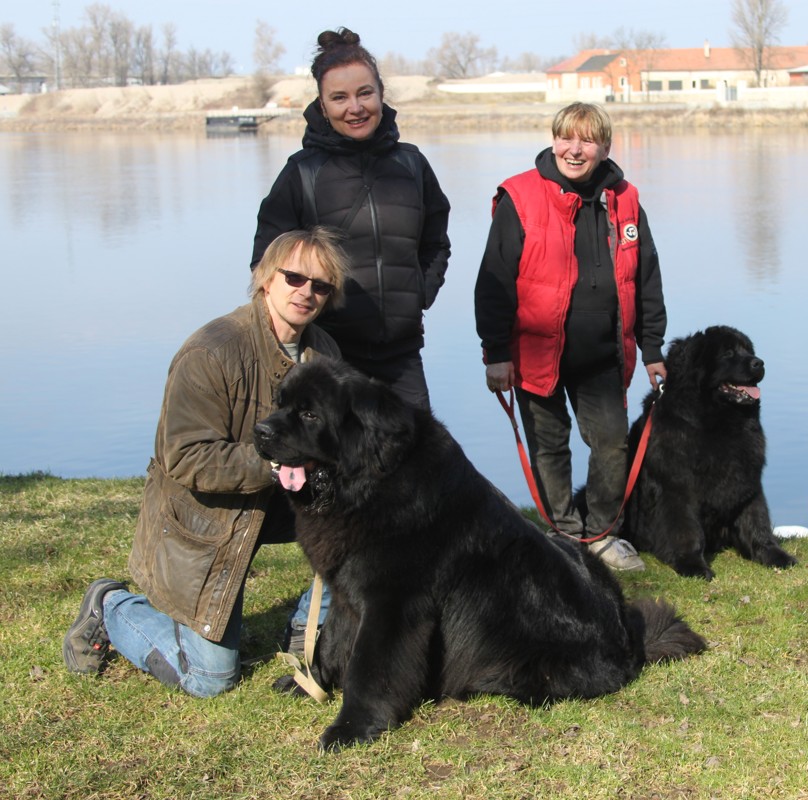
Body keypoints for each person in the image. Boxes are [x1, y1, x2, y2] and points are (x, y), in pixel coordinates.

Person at [62, 228, 348, 697]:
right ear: (266, 278)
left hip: (275, 499)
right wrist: (276, 465)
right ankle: (110, 605)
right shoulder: (211, 350)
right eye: (294, 277)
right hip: (203, 517)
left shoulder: (325, 352)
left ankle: (307, 625)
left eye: (320, 285)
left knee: (366, 513)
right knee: (210, 678)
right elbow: (185, 457)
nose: (306, 292)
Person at [474, 102, 667, 572]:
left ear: (605, 147)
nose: (574, 150)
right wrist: (495, 353)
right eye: (566, 138)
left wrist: (653, 349)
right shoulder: (520, 196)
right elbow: (493, 282)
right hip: (534, 353)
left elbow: (646, 278)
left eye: (587, 140)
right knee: (549, 447)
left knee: (612, 445)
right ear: (554, 139)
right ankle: (562, 534)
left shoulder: (626, 199)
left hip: (603, 354)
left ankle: (601, 535)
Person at [250, 27, 451, 412]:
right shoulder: (302, 173)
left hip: (403, 354)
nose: (355, 108)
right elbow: (265, 265)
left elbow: (436, 243)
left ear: (380, 94)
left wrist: (420, 294)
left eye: (364, 93)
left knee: (415, 448)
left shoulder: (412, 165)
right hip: (326, 354)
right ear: (323, 106)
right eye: (339, 98)